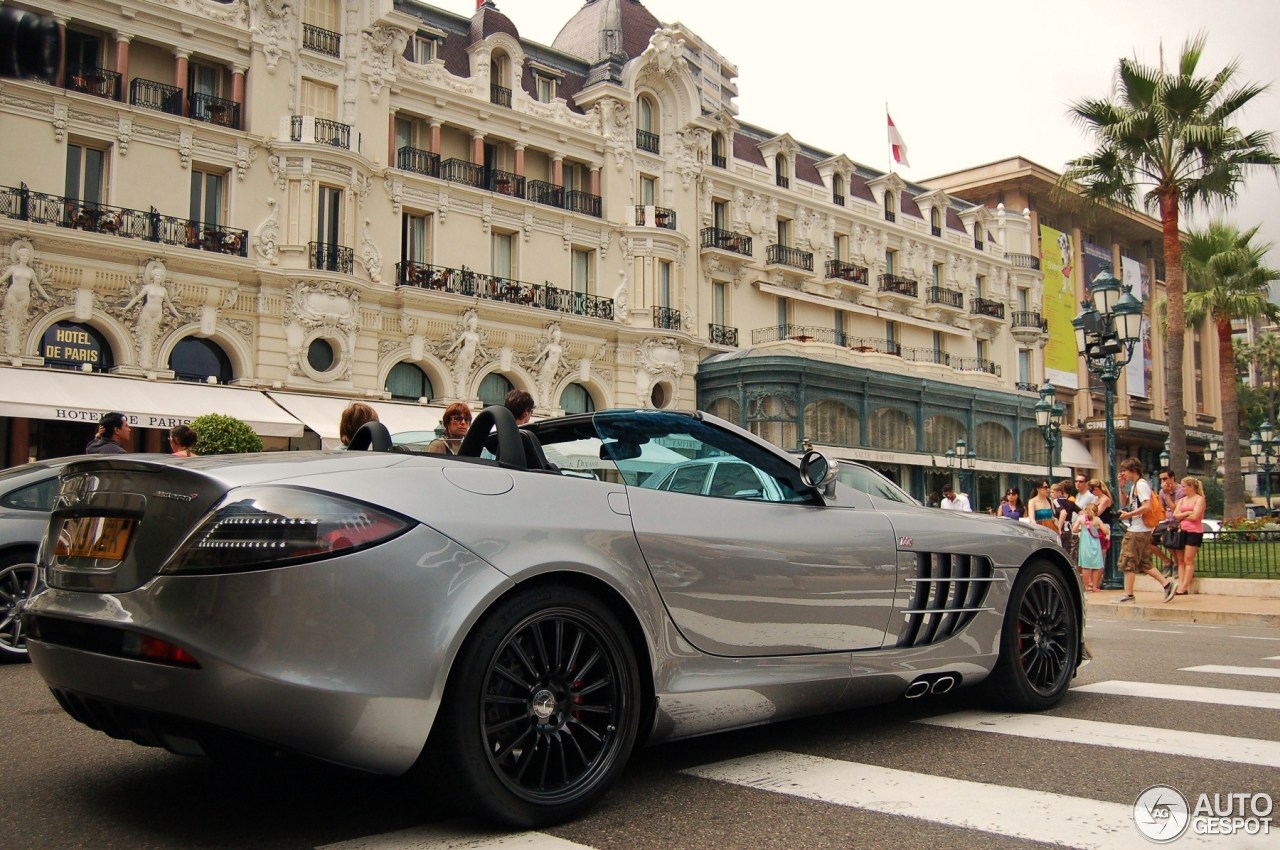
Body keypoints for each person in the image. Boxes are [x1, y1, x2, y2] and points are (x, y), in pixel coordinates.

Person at [1116, 457, 1176, 603]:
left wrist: (1128, 515)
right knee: (1144, 563)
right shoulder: (1135, 485)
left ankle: (1129, 594)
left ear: (1133, 470)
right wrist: (1122, 487)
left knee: (1128, 561)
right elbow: (1125, 502)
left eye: (1124, 470)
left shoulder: (1141, 485)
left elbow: (1146, 506)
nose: (1123, 473)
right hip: (1140, 529)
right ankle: (1167, 584)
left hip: (1137, 530)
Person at [1172, 476, 1206, 595]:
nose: (1182, 489)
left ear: (1191, 487)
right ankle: (1182, 584)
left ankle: (1185, 586)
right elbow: (1175, 515)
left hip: (1194, 531)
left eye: (1184, 486)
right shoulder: (1182, 500)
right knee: (1180, 560)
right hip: (1182, 531)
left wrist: (1182, 515)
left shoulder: (1199, 499)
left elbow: (1196, 516)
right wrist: (1187, 513)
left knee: (1188, 560)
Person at [1149, 468, 1182, 574]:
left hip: (1176, 520)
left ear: (1172, 478)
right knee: (1147, 540)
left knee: (1166, 539)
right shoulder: (1162, 492)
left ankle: (1177, 564)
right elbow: (1161, 510)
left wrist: (1167, 495)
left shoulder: (1180, 491)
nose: (1163, 482)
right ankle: (1167, 562)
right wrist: (1155, 523)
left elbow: (1175, 510)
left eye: (1165, 479)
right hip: (1166, 521)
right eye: (1161, 479)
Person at [1074, 503, 1108, 592]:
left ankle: (1085, 587)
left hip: (1085, 543)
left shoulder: (1081, 519)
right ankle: (1094, 587)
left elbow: (1074, 529)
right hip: (1095, 543)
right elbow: (1105, 531)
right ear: (1096, 512)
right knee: (1096, 566)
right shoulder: (1097, 520)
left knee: (1086, 566)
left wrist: (1081, 529)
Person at [1055, 479, 1081, 558]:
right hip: (1069, 529)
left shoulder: (1057, 501)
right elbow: (1081, 512)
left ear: (1060, 492)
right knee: (1068, 552)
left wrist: (1059, 527)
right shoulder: (1071, 502)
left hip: (1061, 529)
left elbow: (1063, 513)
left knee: (1059, 552)